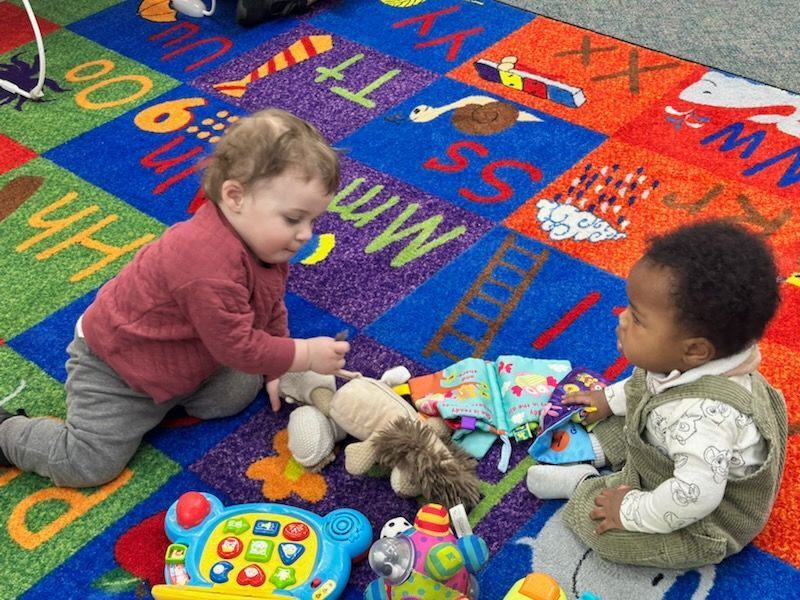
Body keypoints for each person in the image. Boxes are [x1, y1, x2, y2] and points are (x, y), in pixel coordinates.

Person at [0, 108, 349, 488]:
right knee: (85, 464)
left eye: (312, 222)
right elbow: (237, 346)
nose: (305, 235)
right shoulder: (204, 260)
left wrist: (278, 363)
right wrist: (303, 354)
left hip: (190, 354)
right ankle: (7, 433)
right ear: (234, 196)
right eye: (293, 219)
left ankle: (178, 393)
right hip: (120, 367)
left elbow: (267, 304)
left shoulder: (263, 242)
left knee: (233, 396)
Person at [526, 220, 787, 569]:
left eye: (637, 318)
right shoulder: (682, 360)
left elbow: (694, 498)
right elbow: (644, 384)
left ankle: (586, 483)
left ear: (695, 351)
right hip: (687, 448)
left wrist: (630, 511)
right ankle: (610, 456)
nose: (621, 319)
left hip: (708, 511)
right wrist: (609, 401)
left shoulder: (702, 417)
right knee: (632, 410)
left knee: (606, 534)